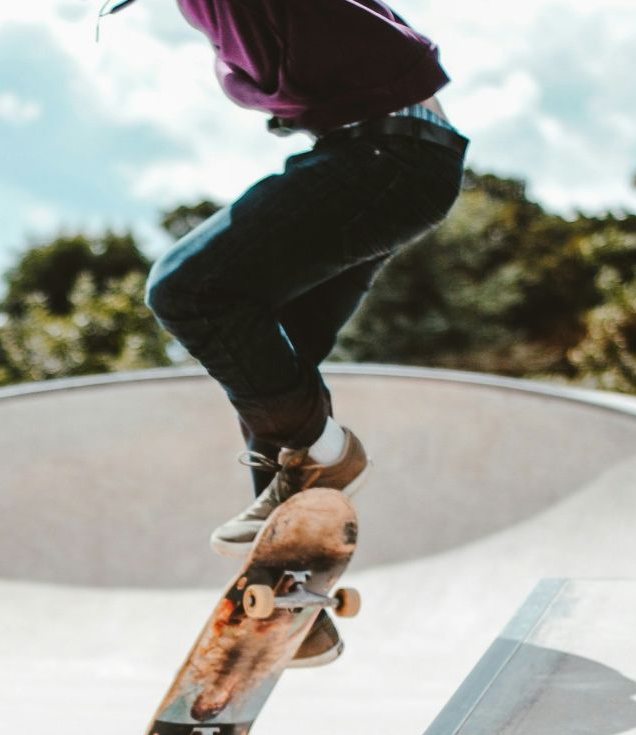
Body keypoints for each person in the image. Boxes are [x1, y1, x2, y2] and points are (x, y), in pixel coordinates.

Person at [106, 0, 469, 666]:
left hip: (386, 156)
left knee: (188, 289)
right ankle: (292, 592)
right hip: (389, 158)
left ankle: (322, 451)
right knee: (270, 356)